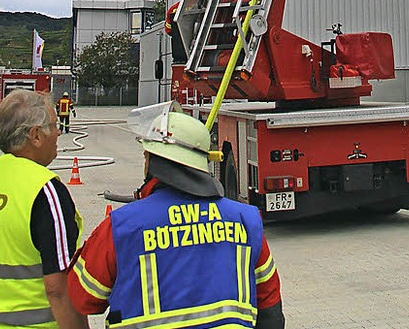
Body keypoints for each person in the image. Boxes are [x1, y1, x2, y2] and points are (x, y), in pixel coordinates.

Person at [68, 101, 285, 329]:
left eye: (146, 156)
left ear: (153, 162)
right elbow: (271, 312)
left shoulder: (121, 227)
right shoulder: (246, 221)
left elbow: (81, 297)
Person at [0, 89, 86, 329]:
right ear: (35, 135)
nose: (58, 133)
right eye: (54, 126)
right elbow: (59, 288)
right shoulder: (45, 190)